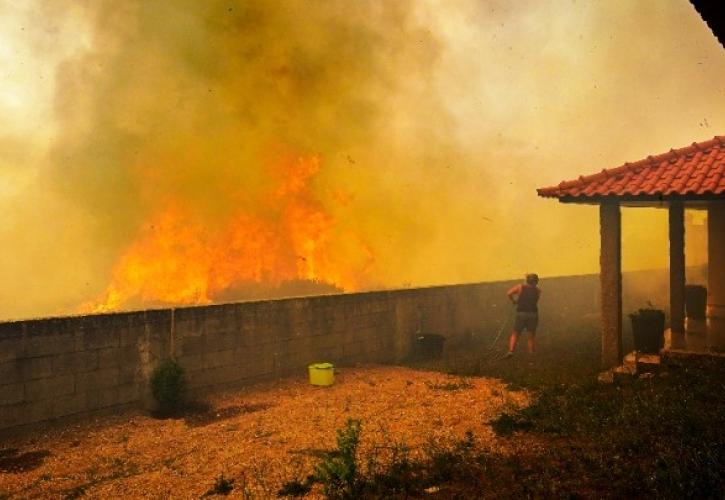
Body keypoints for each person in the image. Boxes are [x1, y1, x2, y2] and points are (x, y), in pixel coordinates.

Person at [505, 273, 541, 359]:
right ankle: (531, 354)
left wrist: (514, 301)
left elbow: (509, 293)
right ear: (536, 281)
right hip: (533, 314)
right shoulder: (538, 291)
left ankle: (511, 351)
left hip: (521, 313)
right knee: (530, 335)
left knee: (516, 333)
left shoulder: (520, 287)